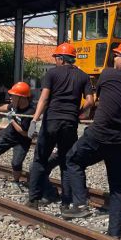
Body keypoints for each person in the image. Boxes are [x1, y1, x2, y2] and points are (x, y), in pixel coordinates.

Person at [61, 38, 121, 237]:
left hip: (99, 135)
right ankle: (114, 235)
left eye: (117, 55)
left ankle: (79, 204)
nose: (114, 58)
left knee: (73, 160)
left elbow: (103, 101)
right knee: (119, 188)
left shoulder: (107, 75)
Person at [27, 43, 94, 207]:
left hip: (51, 121)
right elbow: (91, 101)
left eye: (56, 57)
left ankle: (34, 199)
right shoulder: (83, 76)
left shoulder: (52, 74)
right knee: (66, 161)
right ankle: (66, 202)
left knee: (40, 160)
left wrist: (34, 119)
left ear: (61, 58)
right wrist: (77, 112)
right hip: (70, 123)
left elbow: (44, 99)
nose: (55, 60)